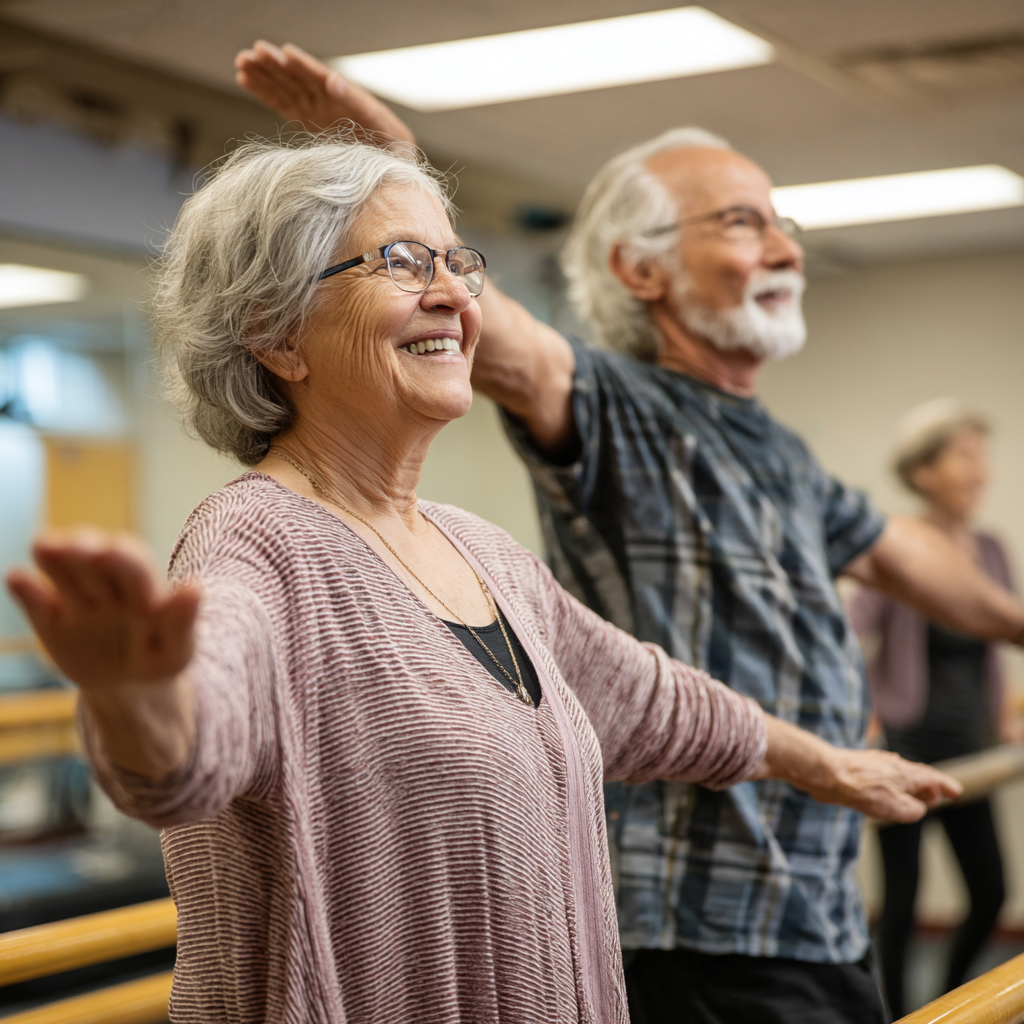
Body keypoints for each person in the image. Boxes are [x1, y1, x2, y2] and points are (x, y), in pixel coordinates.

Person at [4, 135, 958, 1024]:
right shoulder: (259, 541)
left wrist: (827, 765)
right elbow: (186, 756)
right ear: (276, 333)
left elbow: (653, 699)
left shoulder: (480, 550)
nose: (454, 294)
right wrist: (136, 697)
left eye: (457, 262)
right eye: (402, 262)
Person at [232, 45, 1024, 1023]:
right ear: (638, 268)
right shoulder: (615, 404)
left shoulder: (775, 449)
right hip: (694, 924)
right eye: (742, 223)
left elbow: (909, 559)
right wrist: (395, 169)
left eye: (784, 225)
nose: (784, 250)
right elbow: (493, 332)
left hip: (810, 904)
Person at [850, 399, 1018, 1018]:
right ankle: (896, 1014)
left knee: (991, 891)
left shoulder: (991, 550)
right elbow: (848, 631)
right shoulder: (901, 545)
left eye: (981, 456)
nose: (979, 470)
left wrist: (1003, 715)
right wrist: (866, 713)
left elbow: (997, 641)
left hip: (971, 748)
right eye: (963, 456)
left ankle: (944, 1001)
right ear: (923, 471)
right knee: (903, 900)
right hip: (909, 745)